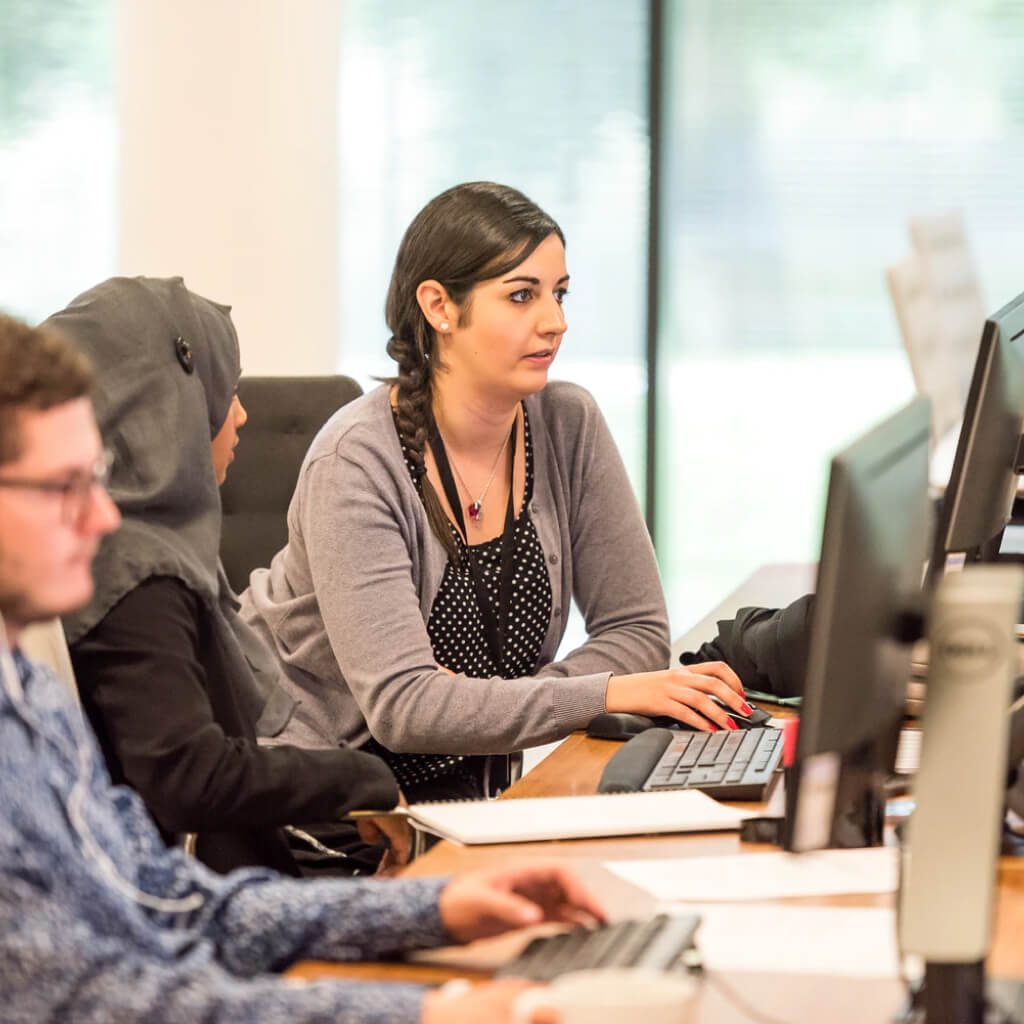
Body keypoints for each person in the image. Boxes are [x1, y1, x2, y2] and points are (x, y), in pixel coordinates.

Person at [0, 309, 605, 1023]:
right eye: (62, 485)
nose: (102, 516)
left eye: (96, 478)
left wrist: (434, 908)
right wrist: (424, 1014)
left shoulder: (27, 690)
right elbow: (89, 999)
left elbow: (166, 897)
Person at [242, 181, 752, 803]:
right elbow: (405, 707)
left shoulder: (567, 423)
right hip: (332, 807)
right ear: (439, 307)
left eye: (559, 294)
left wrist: (488, 703)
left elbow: (637, 630)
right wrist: (603, 691)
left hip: (476, 796)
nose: (555, 322)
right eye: (521, 296)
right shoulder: (357, 461)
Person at [47, 276, 405, 877]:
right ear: (165, 404)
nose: (240, 413)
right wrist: (360, 778)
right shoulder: (137, 575)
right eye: (225, 390)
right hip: (207, 900)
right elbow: (189, 777)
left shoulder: (134, 550)